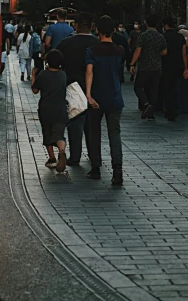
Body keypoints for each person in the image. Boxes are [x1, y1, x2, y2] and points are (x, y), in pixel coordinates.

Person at [85, 16, 125, 184]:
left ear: (97, 31)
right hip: (115, 96)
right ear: (113, 31)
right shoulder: (119, 51)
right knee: (114, 133)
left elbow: (89, 72)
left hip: (96, 97)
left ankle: (95, 168)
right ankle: (117, 171)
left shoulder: (92, 50)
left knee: (94, 132)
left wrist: (88, 94)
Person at [57, 12, 94, 166]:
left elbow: (55, 58)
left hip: (72, 87)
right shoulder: (97, 43)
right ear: (92, 26)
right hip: (93, 88)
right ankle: (94, 156)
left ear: (76, 25)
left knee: (75, 124)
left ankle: (75, 156)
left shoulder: (66, 43)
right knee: (93, 126)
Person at [31, 49, 68, 172]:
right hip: (61, 109)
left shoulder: (43, 75)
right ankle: (62, 151)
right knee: (59, 135)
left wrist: (33, 76)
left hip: (46, 109)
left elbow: (35, 90)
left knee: (47, 133)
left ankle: (52, 158)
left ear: (47, 61)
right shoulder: (63, 75)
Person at [130, 14, 167, 120]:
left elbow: (138, 51)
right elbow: (164, 52)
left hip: (144, 67)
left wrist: (132, 63)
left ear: (146, 23)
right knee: (154, 89)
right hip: (157, 67)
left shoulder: (143, 35)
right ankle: (151, 114)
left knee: (138, 87)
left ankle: (146, 104)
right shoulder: (161, 36)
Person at [161, 17, 188, 121]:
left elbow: (162, 52)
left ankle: (169, 110)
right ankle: (175, 108)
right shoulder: (180, 37)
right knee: (175, 88)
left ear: (165, 25)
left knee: (167, 88)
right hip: (178, 65)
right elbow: (184, 53)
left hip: (166, 65)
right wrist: (186, 68)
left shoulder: (163, 36)